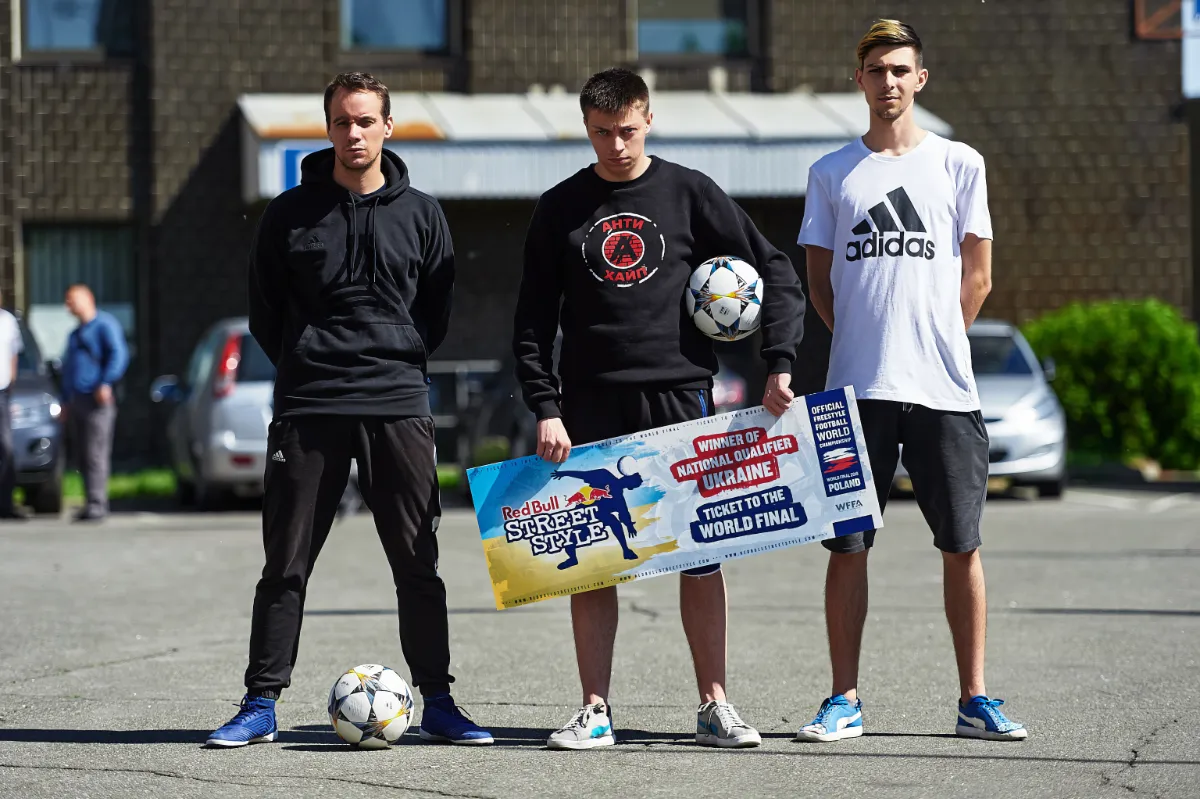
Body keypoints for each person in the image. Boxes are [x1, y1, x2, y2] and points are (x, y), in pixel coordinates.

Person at [514, 67, 806, 750]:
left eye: (627, 130)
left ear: (648, 119)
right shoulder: (560, 207)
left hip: (679, 394)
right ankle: (594, 708)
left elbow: (776, 269)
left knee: (700, 554)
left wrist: (780, 362)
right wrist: (546, 405)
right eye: (601, 133)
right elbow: (531, 320)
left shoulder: (689, 192)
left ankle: (714, 705)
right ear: (585, 128)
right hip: (589, 399)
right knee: (593, 560)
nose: (616, 145)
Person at [206, 72, 493, 748]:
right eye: (342, 121)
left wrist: (397, 353)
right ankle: (260, 702)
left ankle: (442, 701)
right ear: (328, 127)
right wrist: (309, 360)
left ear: (388, 127)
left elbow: (436, 312)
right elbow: (266, 312)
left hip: (396, 402)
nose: (354, 133)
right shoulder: (288, 213)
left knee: (417, 559)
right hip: (310, 404)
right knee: (286, 561)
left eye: (366, 121)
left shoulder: (423, 214)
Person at [795, 20, 1027, 742]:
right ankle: (844, 698)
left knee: (962, 543)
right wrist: (874, 342)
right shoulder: (832, 173)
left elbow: (978, 274)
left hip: (945, 392)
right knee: (848, 547)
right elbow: (821, 287)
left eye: (901, 69)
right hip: (856, 392)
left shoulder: (960, 163)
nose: (888, 81)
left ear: (919, 79)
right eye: (876, 69)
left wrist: (929, 342)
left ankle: (974, 699)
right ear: (858, 79)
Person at [62, 284, 129, 523]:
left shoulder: (104, 326)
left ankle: (98, 504)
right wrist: (65, 399)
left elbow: (118, 355)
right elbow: (69, 369)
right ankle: (89, 500)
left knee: (95, 453)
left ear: (87, 299)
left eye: (72, 300)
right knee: (82, 455)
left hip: (96, 399)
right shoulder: (75, 334)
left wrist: (105, 382)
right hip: (77, 400)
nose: (68, 306)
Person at [0, 291, 24, 520]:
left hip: (2, 392)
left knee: (6, 449)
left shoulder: (7, 321)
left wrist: (12, 382)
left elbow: (14, 354)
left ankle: (5, 504)